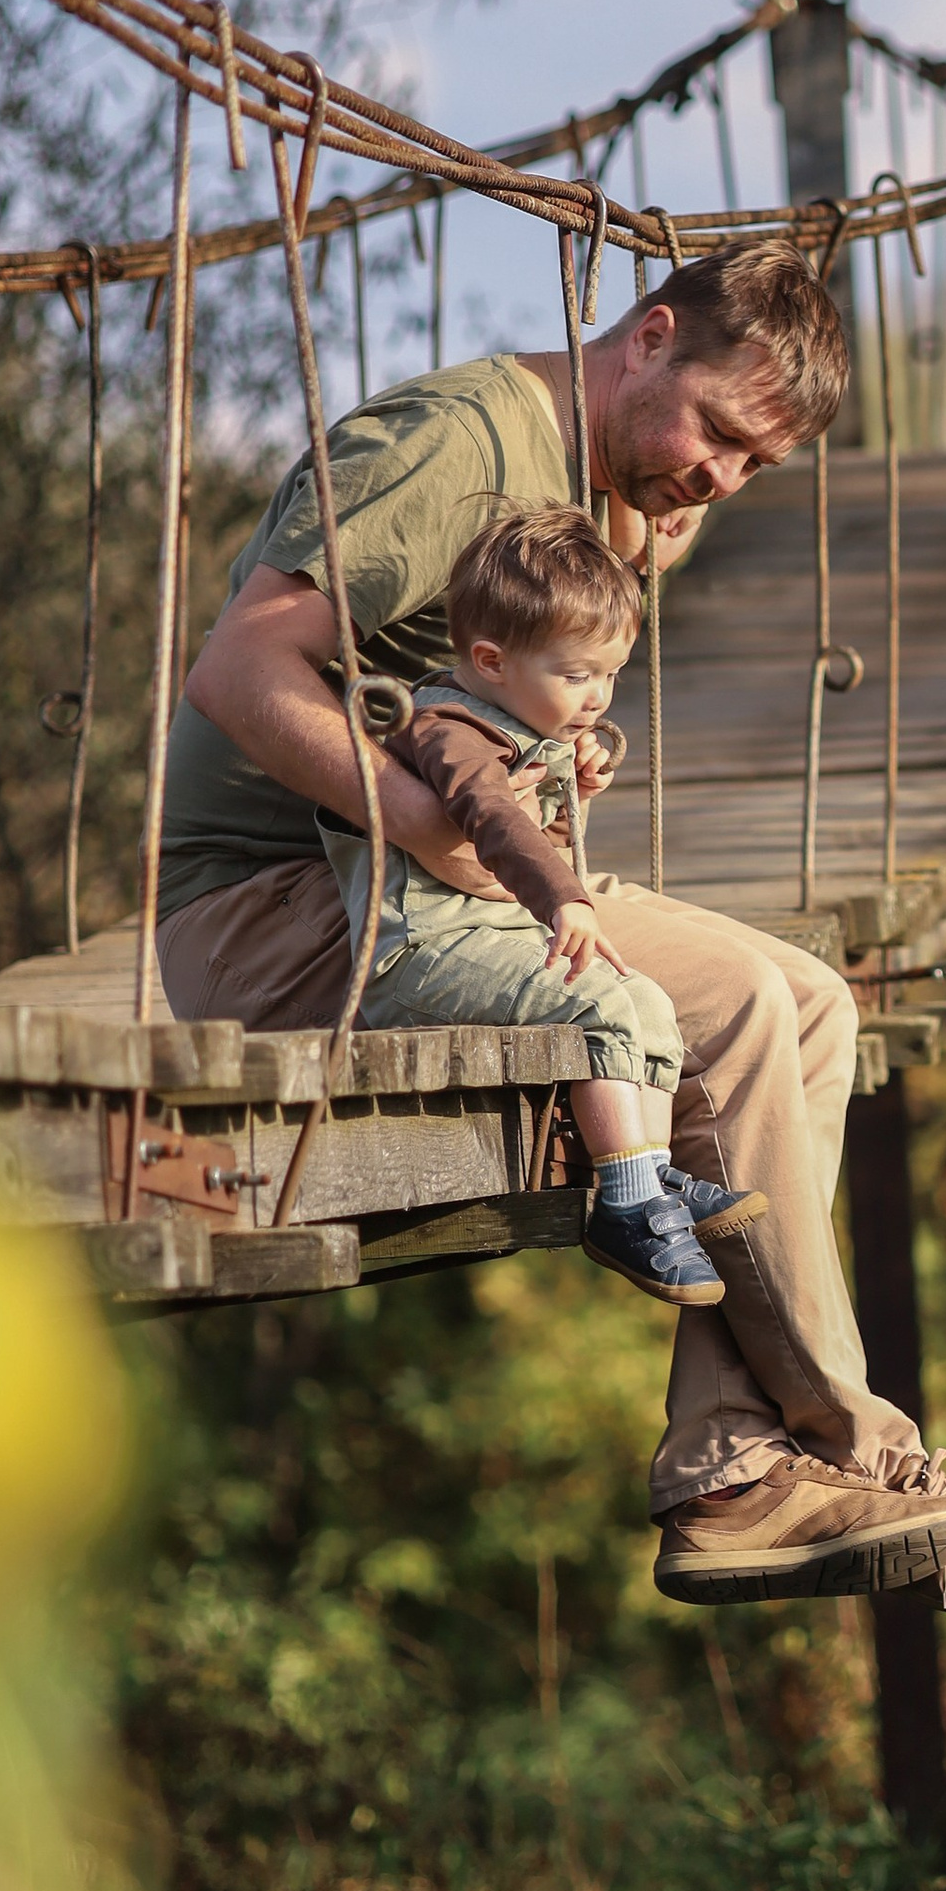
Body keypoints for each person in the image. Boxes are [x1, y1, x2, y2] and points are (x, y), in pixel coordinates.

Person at [158, 237, 946, 1616]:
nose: (717, 477)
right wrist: (432, 821)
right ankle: (856, 1451)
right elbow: (240, 669)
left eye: (752, 467)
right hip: (284, 920)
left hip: (433, 891)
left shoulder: (620, 489)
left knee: (816, 999)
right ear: (645, 336)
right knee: (738, 1011)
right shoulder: (452, 449)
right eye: (715, 431)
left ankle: (736, 1466)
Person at [331, 502, 752, 1315]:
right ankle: (625, 1204)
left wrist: (574, 796)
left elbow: (539, 835)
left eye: (611, 676)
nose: (598, 697)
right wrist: (569, 898)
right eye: (577, 676)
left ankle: (651, 1175)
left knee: (646, 1001)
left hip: (486, 937)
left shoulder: (527, 722)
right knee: (601, 1003)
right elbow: (490, 820)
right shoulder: (446, 728)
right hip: (417, 955)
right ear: (490, 660)